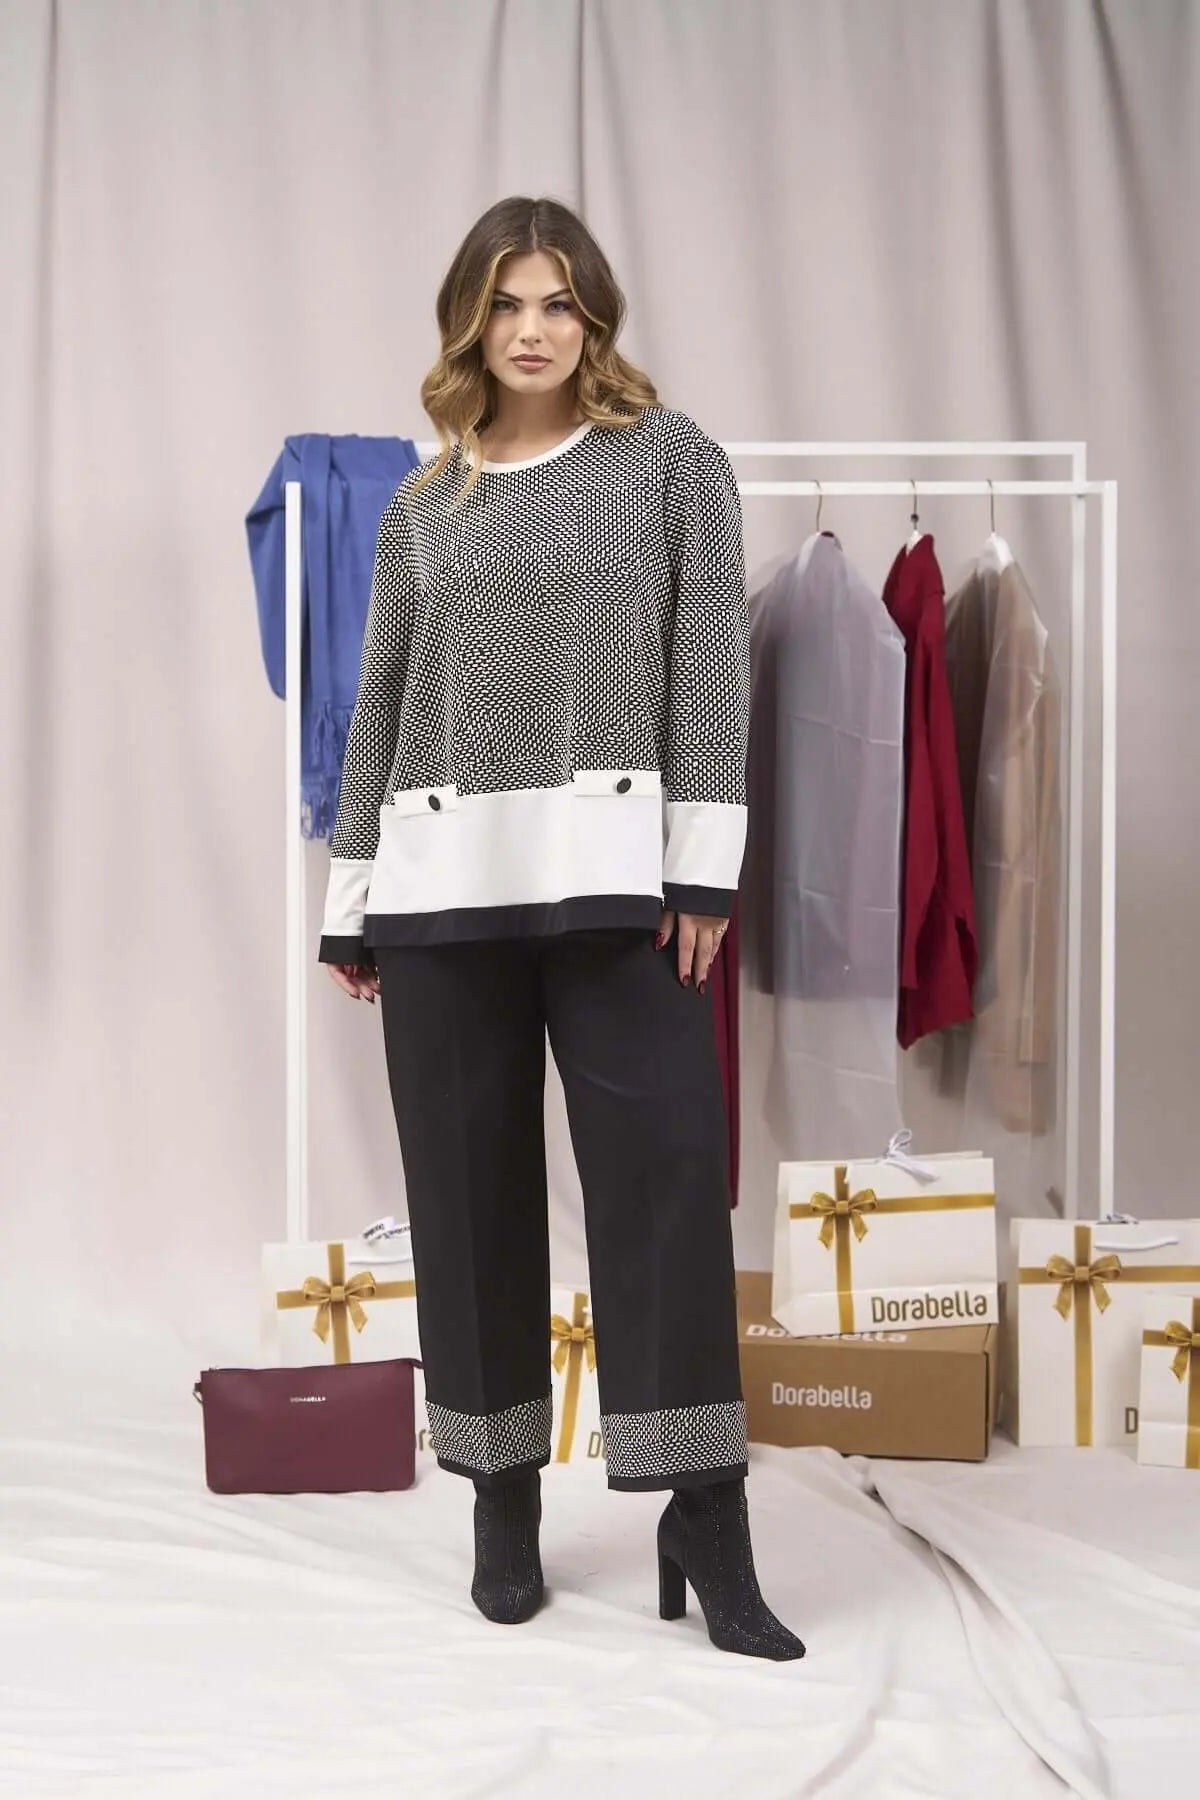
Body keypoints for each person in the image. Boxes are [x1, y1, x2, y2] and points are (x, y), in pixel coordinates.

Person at [319, 194, 804, 1662]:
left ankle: (706, 1516)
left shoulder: (669, 464)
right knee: (466, 1198)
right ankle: (501, 1494)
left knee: (664, 1187)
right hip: (438, 895)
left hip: (617, 887)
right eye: (506, 306)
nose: (532, 331)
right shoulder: (423, 504)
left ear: (594, 318)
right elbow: (379, 704)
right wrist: (353, 901)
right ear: (469, 324)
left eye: (558, 304)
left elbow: (709, 663)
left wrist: (703, 872)